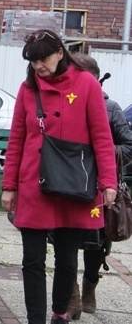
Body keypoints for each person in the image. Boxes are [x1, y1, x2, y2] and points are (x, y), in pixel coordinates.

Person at [0, 29, 118, 324]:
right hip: (33, 184)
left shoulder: (86, 84)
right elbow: (16, 139)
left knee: (67, 259)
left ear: (60, 53)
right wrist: (9, 186)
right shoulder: (28, 88)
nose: (38, 66)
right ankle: (35, 319)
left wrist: (108, 182)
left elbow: (102, 138)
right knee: (32, 260)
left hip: (74, 185)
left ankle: (60, 314)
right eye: (33, 60)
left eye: (43, 58)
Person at [63, 53, 132, 320]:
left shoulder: (111, 108)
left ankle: (90, 285)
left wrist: (101, 153)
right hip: (66, 185)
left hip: (100, 189)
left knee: (96, 243)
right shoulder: (63, 102)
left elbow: (128, 146)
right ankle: (71, 295)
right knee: (64, 240)